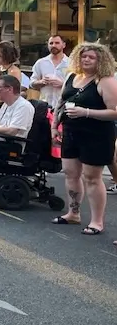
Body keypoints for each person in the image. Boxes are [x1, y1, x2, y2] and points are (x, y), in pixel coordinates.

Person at [51, 43, 117, 236]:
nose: (86, 60)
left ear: (101, 60)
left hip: (96, 134)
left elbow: (114, 112)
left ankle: (97, 221)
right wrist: (55, 126)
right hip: (71, 131)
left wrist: (86, 112)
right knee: (70, 173)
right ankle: (73, 213)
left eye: (91, 57)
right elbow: (60, 103)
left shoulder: (105, 81)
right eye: (83, 56)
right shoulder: (72, 77)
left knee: (92, 177)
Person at [30, 35, 70, 111]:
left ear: (64, 45)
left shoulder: (70, 63)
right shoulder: (40, 63)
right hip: (44, 106)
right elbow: (31, 84)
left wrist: (62, 84)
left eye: (57, 43)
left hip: (63, 106)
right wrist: (41, 82)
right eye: (51, 43)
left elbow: (77, 86)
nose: (54, 45)